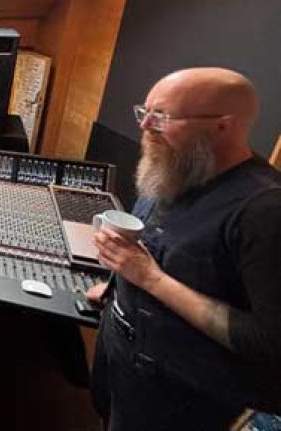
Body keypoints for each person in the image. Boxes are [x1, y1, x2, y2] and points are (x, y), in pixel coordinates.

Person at [86, 67, 281, 430]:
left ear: (223, 127)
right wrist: (116, 289)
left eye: (161, 117)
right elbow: (153, 247)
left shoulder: (265, 212)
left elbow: (267, 340)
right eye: (144, 112)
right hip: (122, 360)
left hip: (179, 396)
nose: (145, 126)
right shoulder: (175, 166)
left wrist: (150, 280)